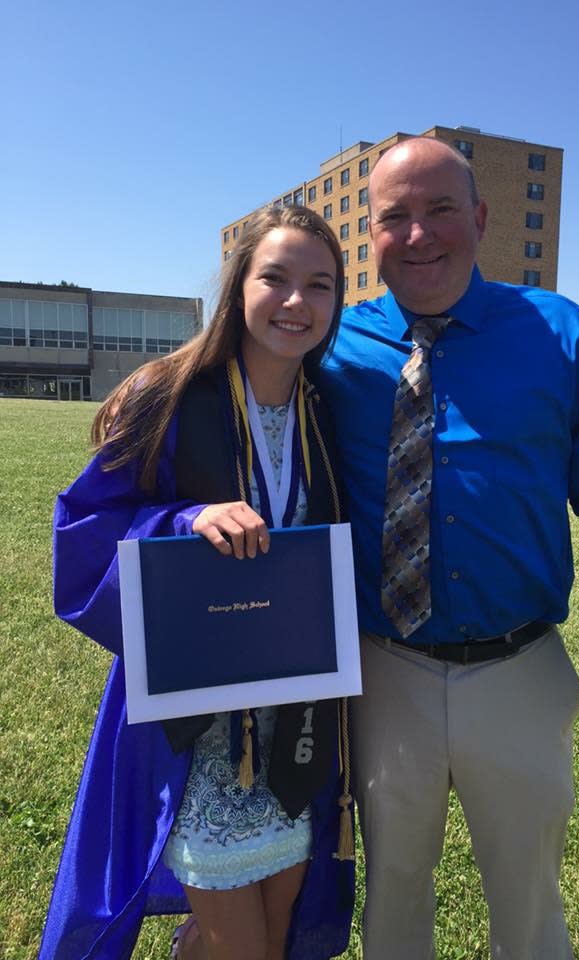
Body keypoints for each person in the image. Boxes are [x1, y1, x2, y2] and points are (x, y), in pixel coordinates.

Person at [315, 137, 579, 960]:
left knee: (529, 891)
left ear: (480, 216)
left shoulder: (559, 332)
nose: (420, 233)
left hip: (520, 669)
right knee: (394, 889)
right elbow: (238, 362)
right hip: (383, 666)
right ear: (370, 233)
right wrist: (154, 390)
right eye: (395, 217)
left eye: (440, 209)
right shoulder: (332, 347)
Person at [39, 205, 354, 960]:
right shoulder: (169, 394)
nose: (296, 302)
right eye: (274, 278)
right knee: (242, 945)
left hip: (297, 722)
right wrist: (183, 522)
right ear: (237, 285)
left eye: (320, 285)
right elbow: (83, 533)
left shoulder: (331, 411)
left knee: (273, 934)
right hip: (196, 730)